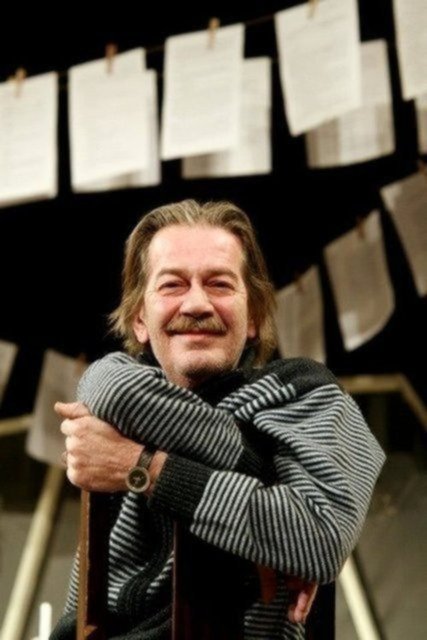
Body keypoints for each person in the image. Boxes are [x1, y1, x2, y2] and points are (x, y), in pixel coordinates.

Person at [51, 199, 385, 639]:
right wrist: (265, 489)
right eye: (172, 285)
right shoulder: (114, 392)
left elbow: (318, 541)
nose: (196, 303)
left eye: (220, 284)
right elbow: (110, 384)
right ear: (139, 319)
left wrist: (142, 467)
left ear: (255, 316)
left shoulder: (307, 393)